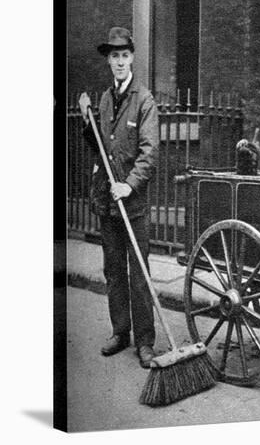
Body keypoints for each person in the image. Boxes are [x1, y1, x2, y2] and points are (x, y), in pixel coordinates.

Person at [78, 27, 159, 368]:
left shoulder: (145, 100)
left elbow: (150, 150)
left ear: (132, 58)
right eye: (114, 56)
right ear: (109, 61)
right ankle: (120, 331)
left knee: (138, 272)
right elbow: (99, 145)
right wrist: (87, 120)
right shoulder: (106, 98)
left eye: (125, 55)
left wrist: (130, 184)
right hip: (107, 201)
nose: (120, 61)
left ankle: (145, 341)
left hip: (133, 202)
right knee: (113, 269)